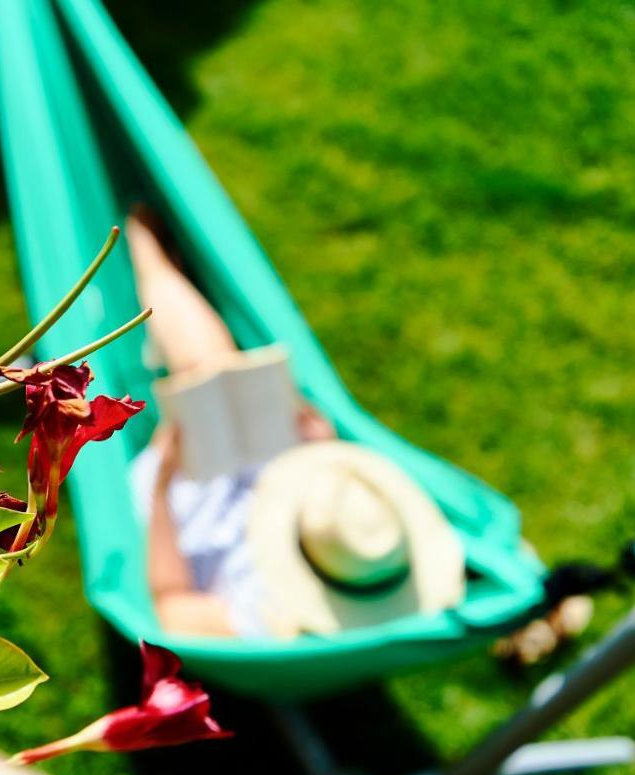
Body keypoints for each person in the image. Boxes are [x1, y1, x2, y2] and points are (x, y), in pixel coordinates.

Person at [128, 211, 592, 654]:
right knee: (231, 383)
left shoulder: (264, 624)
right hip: (303, 489)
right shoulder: (378, 564)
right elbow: (352, 516)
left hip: (199, 509)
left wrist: (165, 484)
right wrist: (322, 452)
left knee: (207, 372)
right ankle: (159, 265)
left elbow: (170, 602)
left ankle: (146, 249)